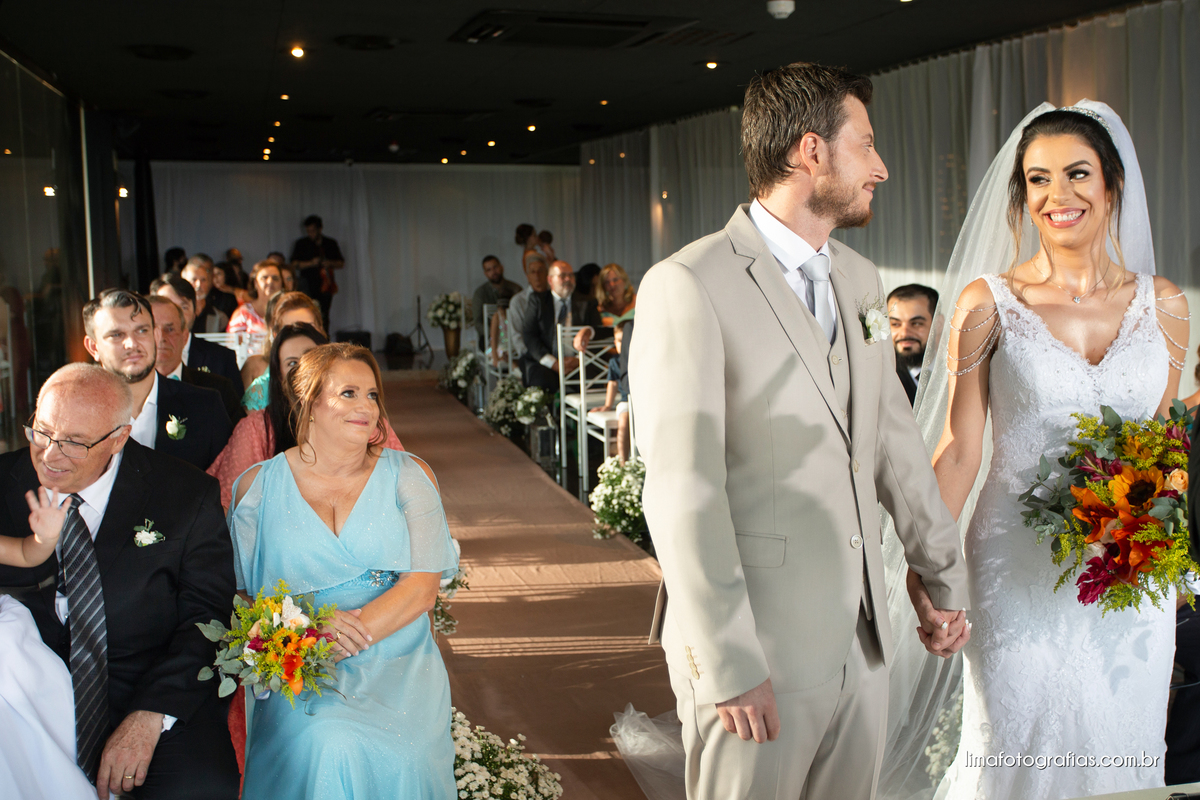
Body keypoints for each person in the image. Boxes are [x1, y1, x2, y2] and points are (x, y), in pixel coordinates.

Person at [627, 61, 970, 800]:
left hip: (864, 643)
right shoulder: (688, 284)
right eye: (865, 144)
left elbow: (893, 443)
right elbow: (683, 491)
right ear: (811, 151)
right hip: (759, 650)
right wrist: (729, 661)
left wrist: (942, 577)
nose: (879, 168)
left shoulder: (860, 281)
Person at [891, 102, 1190, 800]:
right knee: (1015, 748)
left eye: (1077, 174)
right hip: (1014, 571)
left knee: (1123, 749)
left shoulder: (1166, 306)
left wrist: (1164, 553)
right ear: (1022, 195)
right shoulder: (987, 304)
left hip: (1128, 579)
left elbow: (1166, 450)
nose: (1059, 195)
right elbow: (959, 451)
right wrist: (925, 569)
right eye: (1038, 179)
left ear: (1112, 183)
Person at [0, 363, 240, 799]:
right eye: (42, 432)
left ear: (118, 438)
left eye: (74, 442)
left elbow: (208, 618)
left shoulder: (185, 494)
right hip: (22, 692)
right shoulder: (3, 482)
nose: (50, 455)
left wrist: (152, 713)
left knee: (201, 786)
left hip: (147, 683)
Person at [228, 344, 457, 798]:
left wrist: (345, 634)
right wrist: (307, 637)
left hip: (398, 657)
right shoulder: (256, 489)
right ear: (309, 401)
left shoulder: (410, 476)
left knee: (406, 754)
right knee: (330, 742)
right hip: (302, 663)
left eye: (372, 395)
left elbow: (422, 589)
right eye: (348, 393)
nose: (366, 407)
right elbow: (244, 599)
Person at [84, 289, 233, 471]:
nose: (132, 343)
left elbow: (228, 481)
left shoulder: (206, 407)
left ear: (155, 336)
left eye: (141, 331)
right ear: (93, 347)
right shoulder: (75, 414)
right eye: (116, 335)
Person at [148, 296, 244, 425]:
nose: (161, 338)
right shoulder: (127, 392)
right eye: (152, 330)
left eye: (170, 329)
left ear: (185, 337)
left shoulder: (217, 389)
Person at [521, 260, 610, 391]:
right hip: (547, 362)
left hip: (579, 362)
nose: (568, 279)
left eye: (571, 275)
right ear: (550, 280)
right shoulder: (538, 301)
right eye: (562, 276)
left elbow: (597, 334)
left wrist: (578, 360)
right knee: (540, 381)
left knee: (592, 381)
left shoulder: (587, 302)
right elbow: (529, 335)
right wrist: (554, 363)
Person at [151, 274, 244, 393]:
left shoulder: (221, 359)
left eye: (183, 307)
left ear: (196, 311)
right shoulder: (138, 361)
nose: (175, 314)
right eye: (167, 306)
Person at [240, 292, 325, 411]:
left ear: (320, 329)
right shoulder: (260, 392)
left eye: (309, 328)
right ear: (276, 335)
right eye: (290, 330)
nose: (300, 337)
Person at [886, 283, 938, 405]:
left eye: (916, 323)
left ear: (939, 323)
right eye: (895, 324)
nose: (904, 333)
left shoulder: (958, 369)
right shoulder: (881, 376)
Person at [289, 214, 344, 330]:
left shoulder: (330, 243)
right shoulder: (302, 244)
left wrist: (329, 263)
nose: (311, 234)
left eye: (313, 231)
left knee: (324, 315)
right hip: (307, 284)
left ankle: (324, 337)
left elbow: (341, 263)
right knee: (307, 313)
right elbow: (293, 264)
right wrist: (311, 263)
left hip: (326, 284)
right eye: (308, 231)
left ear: (320, 229)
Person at [592, 320, 633, 463]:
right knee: (624, 421)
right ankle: (623, 462)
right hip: (625, 400)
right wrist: (608, 405)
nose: (622, 344)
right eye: (619, 341)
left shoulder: (638, 358)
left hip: (642, 401)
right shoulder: (615, 361)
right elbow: (612, 384)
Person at [504, 254, 549, 365]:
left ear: (547, 274)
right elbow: (517, 336)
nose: (537, 275)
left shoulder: (555, 297)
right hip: (531, 356)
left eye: (540, 271)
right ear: (527, 276)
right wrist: (535, 356)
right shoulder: (518, 301)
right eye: (533, 272)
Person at [471, 255, 521, 344]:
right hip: (488, 336)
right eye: (489, 270)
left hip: (514, 333)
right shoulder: (480, 293)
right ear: (485, 273)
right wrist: (494, 334)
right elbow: (478, 322)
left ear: (501, 267)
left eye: (495, 267)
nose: (493, 272)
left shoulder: (515, 288)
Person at [228, 260, 283, 337]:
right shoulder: (243, 313)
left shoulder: (287, 311)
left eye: (275, 278)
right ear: (255, 283)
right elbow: (232, 342)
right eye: (264, 278)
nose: (270, 281)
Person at [184, 258, 238, 322]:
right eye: (194, 279)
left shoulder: (226, 302)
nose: (198, 285)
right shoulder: (179, 306)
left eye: (203, 279)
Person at [595, 262, 637, 328]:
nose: (612, 285)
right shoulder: (600, 309)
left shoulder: (639, 302)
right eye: (607, 282)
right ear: (603, 287)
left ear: (625, 281)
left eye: (615, 280)